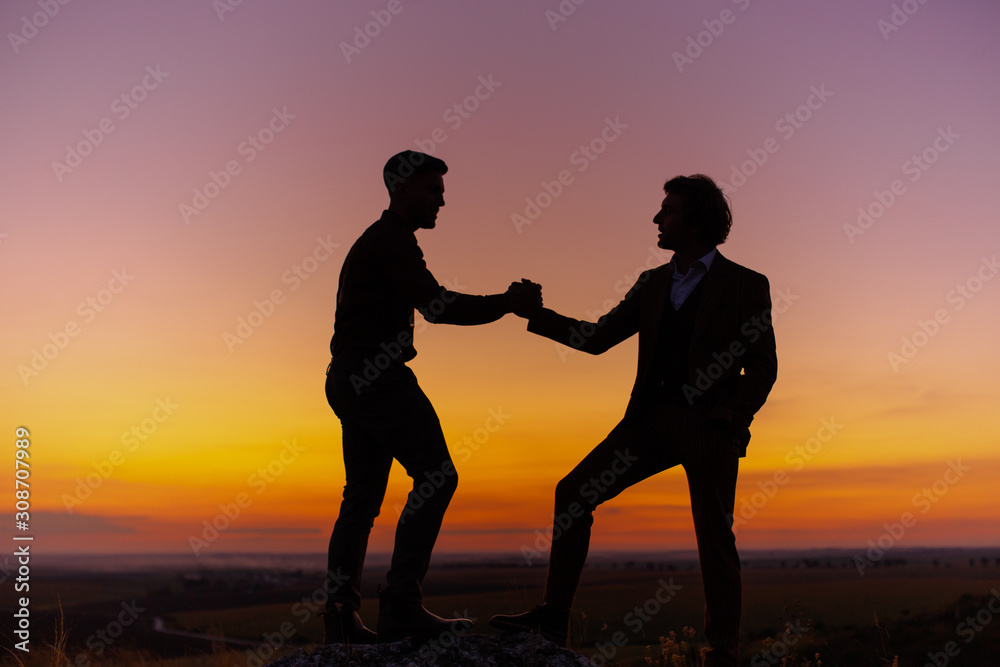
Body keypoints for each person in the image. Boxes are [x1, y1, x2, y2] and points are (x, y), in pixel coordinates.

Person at [490, 174, 777, 666]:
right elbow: (598, 338)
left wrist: (730, 420)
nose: (656, 219)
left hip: (708, 429)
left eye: (667, 211)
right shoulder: (653, 283)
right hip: (648, 423)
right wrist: (536, 315)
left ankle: (723, 650)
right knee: (574, 491)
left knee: (714, 534)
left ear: (697, 222)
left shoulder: (748, 285)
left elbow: (763, 367)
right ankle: (553, 620)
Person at [323, 150, 541, 644]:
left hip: (349, 377)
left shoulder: (379, 241)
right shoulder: (392, 241)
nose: (442, 200)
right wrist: (508, 304)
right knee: (438, 477)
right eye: (432, 190)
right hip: (377, 378)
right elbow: (437, 306)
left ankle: (340, 618)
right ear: (401, 188)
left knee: (360, 500)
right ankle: (400, 603)